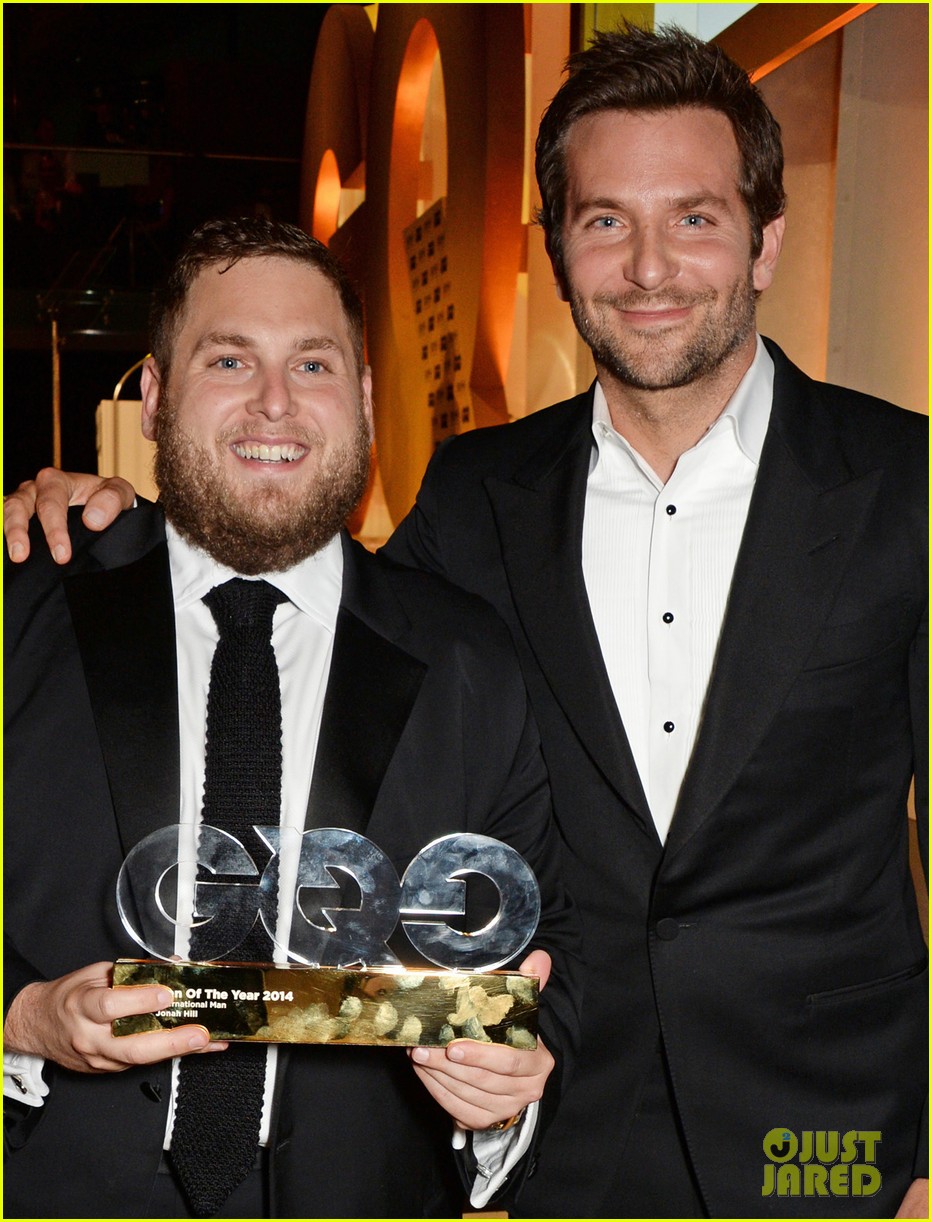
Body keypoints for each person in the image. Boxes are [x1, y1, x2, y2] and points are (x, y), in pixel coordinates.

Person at [6, 23, 927, 1219]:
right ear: (556, 250)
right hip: (559, 1122)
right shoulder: (477, 494)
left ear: (765, 242)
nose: (648, 267)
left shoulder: (905, 484)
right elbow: (296, 599)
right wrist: (129, 527)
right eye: (604, 220)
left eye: (694, 217)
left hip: (818, 1121)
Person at [3, 217, 581, 1219]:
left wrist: (506, 1093)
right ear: (154, 398)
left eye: (312, 364)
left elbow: (551, 944)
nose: (274, 400)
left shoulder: (471, 662)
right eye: (229, 359)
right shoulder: (23, 609)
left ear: (362, 400)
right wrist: (20, 1020)